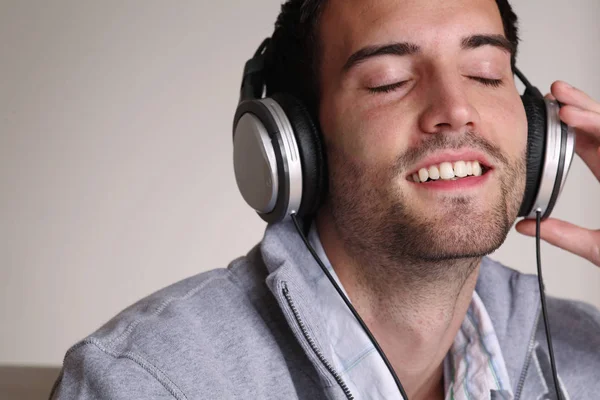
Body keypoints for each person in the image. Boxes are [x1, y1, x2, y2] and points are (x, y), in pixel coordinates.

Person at [50, 0, 600, 399]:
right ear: (296, 143)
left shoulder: (588, 353)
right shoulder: (144, 381)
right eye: (388, 81)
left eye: (485, 74)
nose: (455, 109)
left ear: (538, 129)